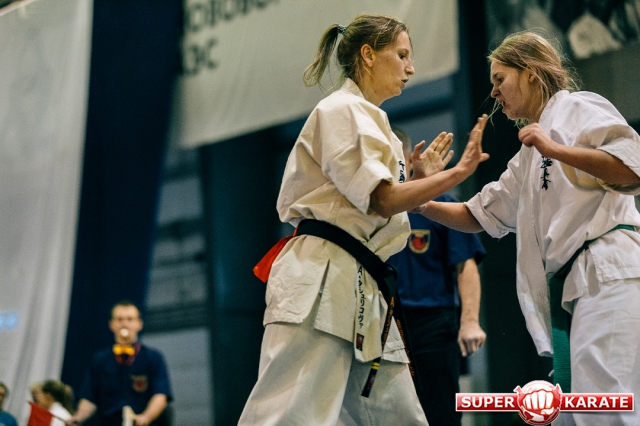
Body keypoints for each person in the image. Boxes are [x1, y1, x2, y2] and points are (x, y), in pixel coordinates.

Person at [239, 13, 489, 426]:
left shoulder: (377, 123)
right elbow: (382, 199)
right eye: (402, 55)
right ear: (369, 55)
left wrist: (420, 184)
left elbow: (384, 205)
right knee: (287, 415)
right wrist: (456, 174)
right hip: (322, 277)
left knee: (401, 418)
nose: (411, 68)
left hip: (365, 285)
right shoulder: (342, 109)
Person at [416, 30, 640, 426]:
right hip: (574, 287)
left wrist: (555, 149)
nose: (494, 92)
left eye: (500, 79)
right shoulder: (527, 155)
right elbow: (478, 214)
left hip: (607, 272)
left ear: (531, 72)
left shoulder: (579, 107)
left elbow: (631, 169)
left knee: (606, 408)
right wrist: (421, 200)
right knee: (575, 413)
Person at [387, 128, 487, 426]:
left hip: (432, 324)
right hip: (382, 323)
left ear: (408, 159)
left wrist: (470, 321)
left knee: (440, 412)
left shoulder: (438, 202)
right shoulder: (370, 209)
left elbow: (465, 265)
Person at [66, 301, 173, 426]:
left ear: (139, 324)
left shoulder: (153, 357)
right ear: (112, 325)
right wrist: (79, 417)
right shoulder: (100, 359)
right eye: (119, 319)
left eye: (130, 319)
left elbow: (160, 395)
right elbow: (90, 398)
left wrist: (145, 417)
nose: (125, 324)